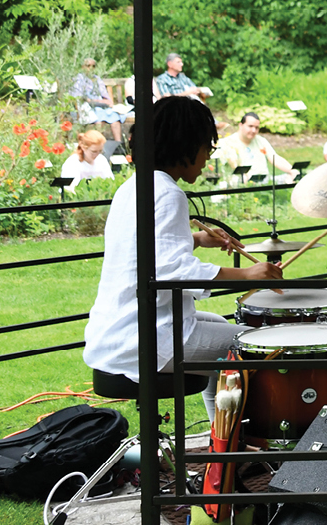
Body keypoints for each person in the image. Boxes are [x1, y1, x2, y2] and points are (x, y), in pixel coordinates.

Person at [83, 97, 281, 417]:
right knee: (255, 344)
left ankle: (223, 439)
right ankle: (233, 447)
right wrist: (249, 275)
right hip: (142, 340)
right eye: (206, 149)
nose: (206, 159)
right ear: (185, 145)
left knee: (218, 325)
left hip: (117, 329)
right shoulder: (168, 193)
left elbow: (146, 250)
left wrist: (198, 239)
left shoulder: (136, 186)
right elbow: (173, 272)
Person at [213, 112, 297, 182]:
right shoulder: (228, 142)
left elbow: (274, 158)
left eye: (256, 128)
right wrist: (247, 178)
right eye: (250, 126)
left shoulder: (261, 140)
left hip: (265, 181)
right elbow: (234, 164)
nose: (254, 130)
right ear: (240, 125)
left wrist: (292, 170)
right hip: (240, 183)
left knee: (290, 178)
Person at [69, 58, 124, 141]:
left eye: (93, 66)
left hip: (100, 106)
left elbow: (107, 100)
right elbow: (80, 99)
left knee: (115, 117)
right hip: (86, 108)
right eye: (88, 66)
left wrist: (101, 102)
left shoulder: (98, 79)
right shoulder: (78, 79)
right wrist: (97, 102)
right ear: (82, 67)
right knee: (99, 119)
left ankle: (119, 145)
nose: (91, 68)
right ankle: (97, 144)